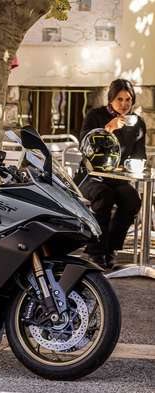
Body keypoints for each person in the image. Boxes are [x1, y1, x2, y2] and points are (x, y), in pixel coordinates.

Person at [76, 78, 146, 269]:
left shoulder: (137, 123)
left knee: (132, 200)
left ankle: (110, 248)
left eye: (128, 99)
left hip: (118, 178)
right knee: (104, 196)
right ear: (110, 99)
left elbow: (139, 154)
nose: (124, 104)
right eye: (119, 99)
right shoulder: (95, 115)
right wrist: (109, 129)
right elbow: (84, 144)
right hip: (90, 176)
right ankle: (95, 251)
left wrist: (135, 165)